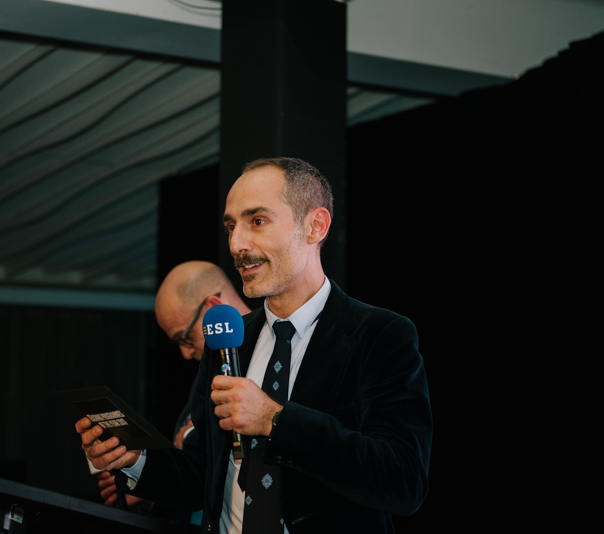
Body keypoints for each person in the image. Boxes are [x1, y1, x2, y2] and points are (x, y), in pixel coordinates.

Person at [79, 158, 433, 533]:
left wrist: (275, 421)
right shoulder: (227, 342)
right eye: (231, 226)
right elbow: (204, 475)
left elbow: (403, 481)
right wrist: (136, 459)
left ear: (315, 226)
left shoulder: (380, 335)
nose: (236, 244)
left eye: (257, 221)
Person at [96, 261, 250, 509]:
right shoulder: (204, 379)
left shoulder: (274, 358)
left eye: (185, 337)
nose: (185, 354)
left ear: (212, 308)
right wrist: (141, 471)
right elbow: (197, 478)